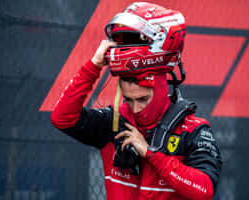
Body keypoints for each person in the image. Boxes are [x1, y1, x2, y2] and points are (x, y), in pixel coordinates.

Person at [51, 2, 222, 200]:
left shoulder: (193, 130)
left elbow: (204, 190)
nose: (136, 108)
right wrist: (94, 66)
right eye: (128, 100)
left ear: (160, 89)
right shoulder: (113, 123)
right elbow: (62, 118)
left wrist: (151, 154)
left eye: (143, 99)